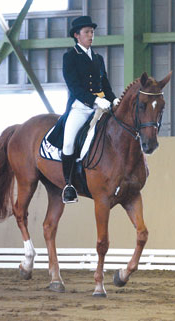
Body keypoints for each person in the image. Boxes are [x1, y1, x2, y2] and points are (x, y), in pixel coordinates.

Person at [48, 16, 120, 204]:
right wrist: (95, 100)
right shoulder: (70, 57)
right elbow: (74, 87)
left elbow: (106, 85)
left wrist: (114, 100)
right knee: (69, 143)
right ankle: (69, 185)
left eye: (92, 32)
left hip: (101, 106)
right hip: (80, 107)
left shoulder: (98, 58)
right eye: (87, 32)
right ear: (76, 35)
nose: (91, 35)